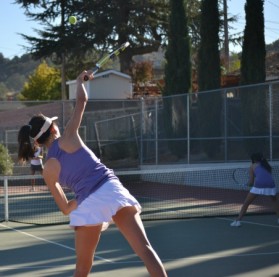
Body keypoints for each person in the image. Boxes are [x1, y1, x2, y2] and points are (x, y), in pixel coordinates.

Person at [18, 71, 168, 277]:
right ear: (53, 128)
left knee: (81, 269)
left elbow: (65, 208)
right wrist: (80, 81)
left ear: (36, 142)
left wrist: (84, 196)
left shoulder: (48, 171)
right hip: (111, 190)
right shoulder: (69, 135)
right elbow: (82, 100)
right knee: (145, 250)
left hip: (87, 203)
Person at [230, 152, 279, 227]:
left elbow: (251, 182)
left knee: (246, 203)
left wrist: (249, 184)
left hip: (259, 186)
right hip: (271, 185)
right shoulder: (267, 165)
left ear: (253, 159)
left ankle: (238, 221)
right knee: (274, 201)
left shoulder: (252, 166)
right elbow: (266, 176)